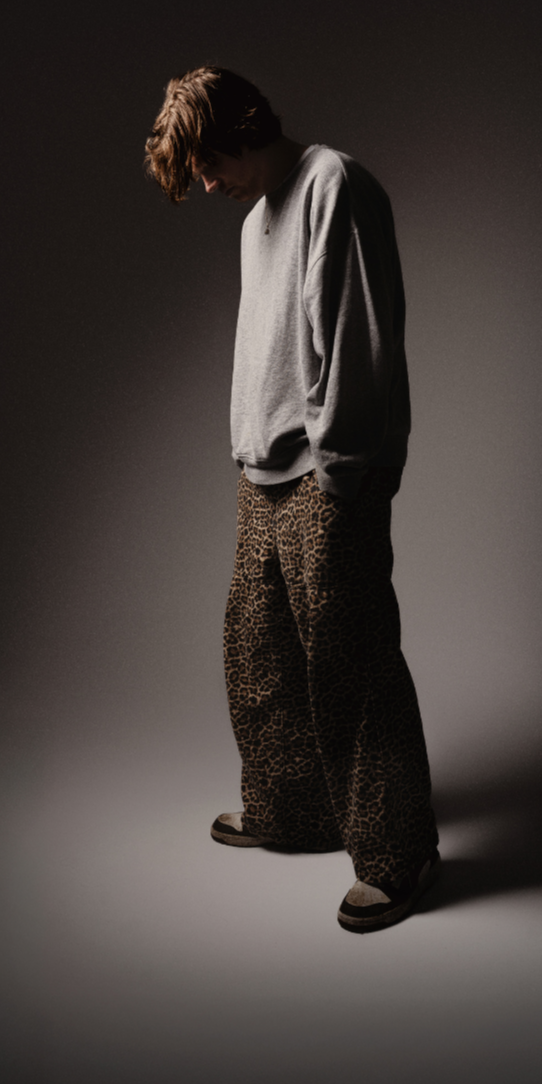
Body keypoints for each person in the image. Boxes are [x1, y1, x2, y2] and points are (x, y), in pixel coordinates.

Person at [144, 66, 439, 931]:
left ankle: (398, 852)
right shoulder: (253, 222)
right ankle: (295, 808)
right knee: (259, 650)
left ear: (241, 128)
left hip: (327, 471)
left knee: (352, 662)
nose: (206, 183)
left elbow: (355, 337)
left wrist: (341, 470)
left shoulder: (330, 184)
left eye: (207, 162)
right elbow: (265, 353)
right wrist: (246, 448)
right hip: (263, 471)